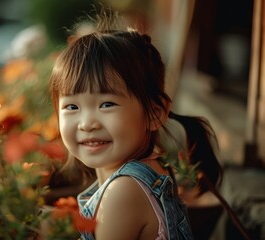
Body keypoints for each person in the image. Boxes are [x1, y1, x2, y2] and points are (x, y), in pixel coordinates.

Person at [49, 9, 223, 240]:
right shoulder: (145, 172)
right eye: (72, 107)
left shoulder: (124, 192)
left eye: (107, 104)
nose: (87, 123)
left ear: (155, 114)